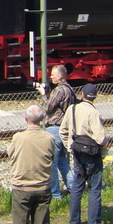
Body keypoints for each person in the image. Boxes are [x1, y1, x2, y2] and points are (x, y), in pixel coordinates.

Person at [6, 104, 55, 224]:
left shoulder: (18, 138)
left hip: (22, 188)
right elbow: (52, 156)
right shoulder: (49, 138)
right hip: (42, 187)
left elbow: (10, 154)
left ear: (26, 119)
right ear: (42, 119)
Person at [60, 83, 110, 224]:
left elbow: (63, 130)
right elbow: (100, 138)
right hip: (92, 155)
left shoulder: (72, 109)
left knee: (77, 185)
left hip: (76, 151)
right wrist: (104, 146)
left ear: (82, 94)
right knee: (95, 188)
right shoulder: (93, 113)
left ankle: (73, 222)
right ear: (94, 97)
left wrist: (69, 145)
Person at [37, 64, 75, 200]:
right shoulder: (69, 89)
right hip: (64, 128)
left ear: (59, 76)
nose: (50, 76)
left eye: (52, 74)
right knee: (63, 162)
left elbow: (47, 108)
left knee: (52, 163)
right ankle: (74, 189)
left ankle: (55, 194)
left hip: (54, 128)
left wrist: (43, 95)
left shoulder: (59, 90)